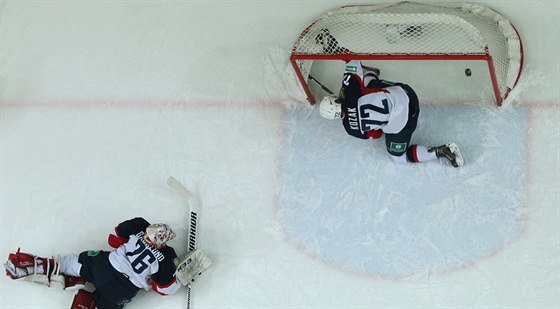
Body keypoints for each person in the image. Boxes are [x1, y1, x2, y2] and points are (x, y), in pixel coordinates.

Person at [5, 217, 182, 309]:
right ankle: (87, 302)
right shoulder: (166, 257)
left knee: (71, 262)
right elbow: (163, 289)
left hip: (102, 266)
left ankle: (32, 266)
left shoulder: (140, 226)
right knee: (104, 306)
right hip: (122, 290)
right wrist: (180, 277)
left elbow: (113, 238)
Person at [319, 59, 464, 167]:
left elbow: (377, 134)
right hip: (408, 93)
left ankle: (440, 152)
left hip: (407, 123)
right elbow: (352, 61)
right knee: (367, 86)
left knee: (399, 158)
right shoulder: (350, 88)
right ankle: (369, 74)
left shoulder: (351, 130)